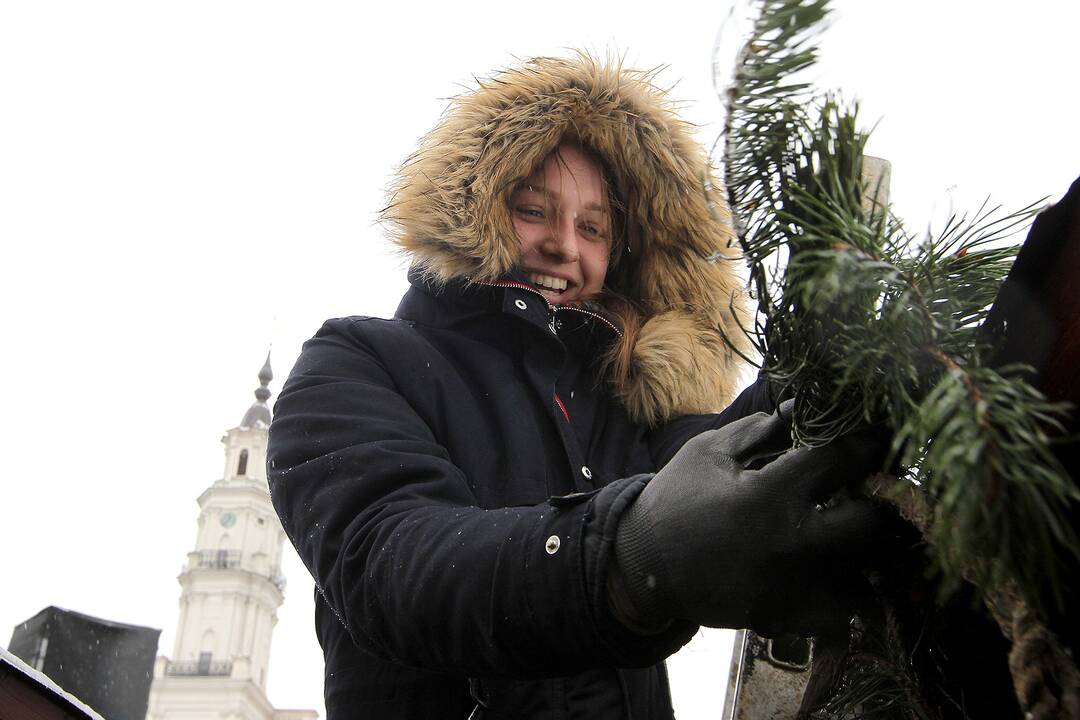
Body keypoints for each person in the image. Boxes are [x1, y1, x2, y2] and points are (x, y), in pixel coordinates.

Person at [267, 54, 885, 719]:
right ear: (473, 212)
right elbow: (390, 561)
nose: (565, 245)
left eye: (593, 228)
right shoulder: (359, 361)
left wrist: (815, 370)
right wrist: (622, 559)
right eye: (534, 210)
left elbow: (740, 455)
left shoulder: (627, 407)